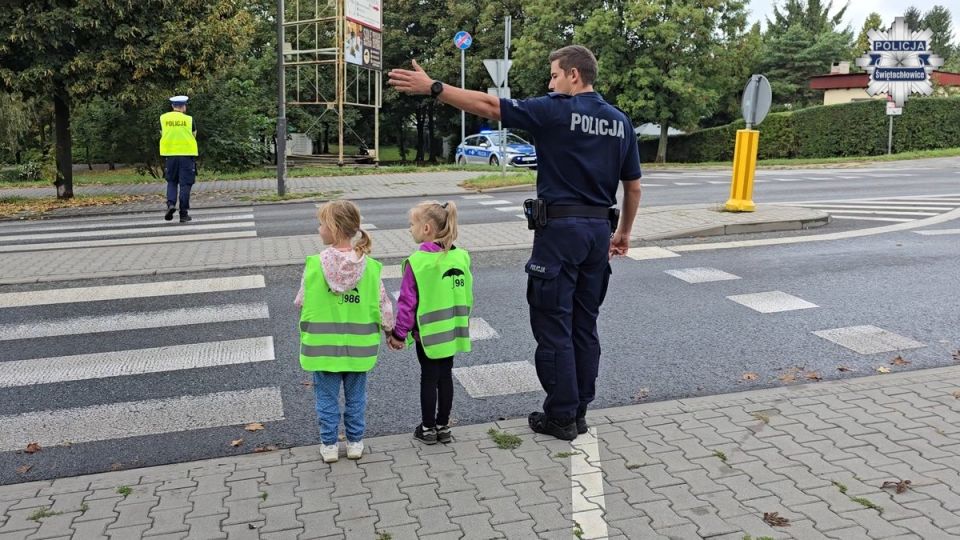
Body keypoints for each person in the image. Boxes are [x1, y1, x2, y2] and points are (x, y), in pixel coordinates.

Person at [388, 45, 641, 441]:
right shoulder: (619, 121)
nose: (550, 82)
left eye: (554, 74)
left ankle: (560, 416)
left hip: (559, 236)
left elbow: (489, 106)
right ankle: (579, 410)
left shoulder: (556, 110)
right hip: (597, 234)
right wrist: (623, 232)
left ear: (574, 75)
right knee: (584, 326)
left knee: (554, 326)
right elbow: (634, 186)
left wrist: (434, 87)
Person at [295, 200, 395, 462]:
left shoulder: (315, 264)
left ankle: (329, 446)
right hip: (358, 348)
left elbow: (301, 301)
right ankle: (354, 443)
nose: (318, 229)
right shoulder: (370, 268)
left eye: (321, 223)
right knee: (356, 398)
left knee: (326, 399)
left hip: (322, 347)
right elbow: (383, 305)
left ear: (334, 228)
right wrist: (390, 332)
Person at [388, 201, 472, 445]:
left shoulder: (417, 262)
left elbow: (407, 304)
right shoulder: (461, 257)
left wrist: (399, 334)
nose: (409, 229)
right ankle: (443, 426)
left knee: (429, 377)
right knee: (445, 376)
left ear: (426, 228)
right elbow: (467, 295)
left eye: (412, 224)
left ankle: (427, 428)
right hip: (452, 331)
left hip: (427, 334)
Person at [159, 95, 199, 223]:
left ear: (172, 106)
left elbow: (161, 133)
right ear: (184, 107)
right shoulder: (189, 119)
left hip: (170, 156)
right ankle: (183, 214)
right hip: (186, 156)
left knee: (171, 181)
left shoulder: (163, 118)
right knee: (185, 184)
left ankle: (171, 204)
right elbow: (194, 135)